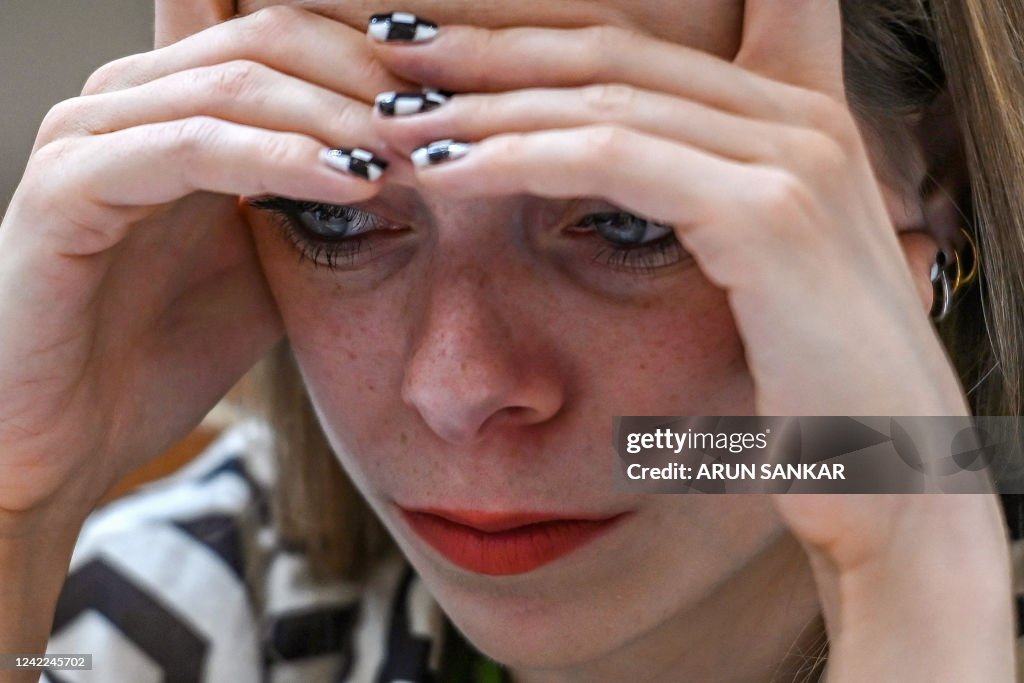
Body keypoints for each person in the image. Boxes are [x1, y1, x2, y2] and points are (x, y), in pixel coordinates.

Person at [1, 0, 1022, 681]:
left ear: (934, 181)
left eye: (631, 219)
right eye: (335, 217)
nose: (458, 384)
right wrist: (20, 515)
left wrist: (910, 569)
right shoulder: (175, 611)